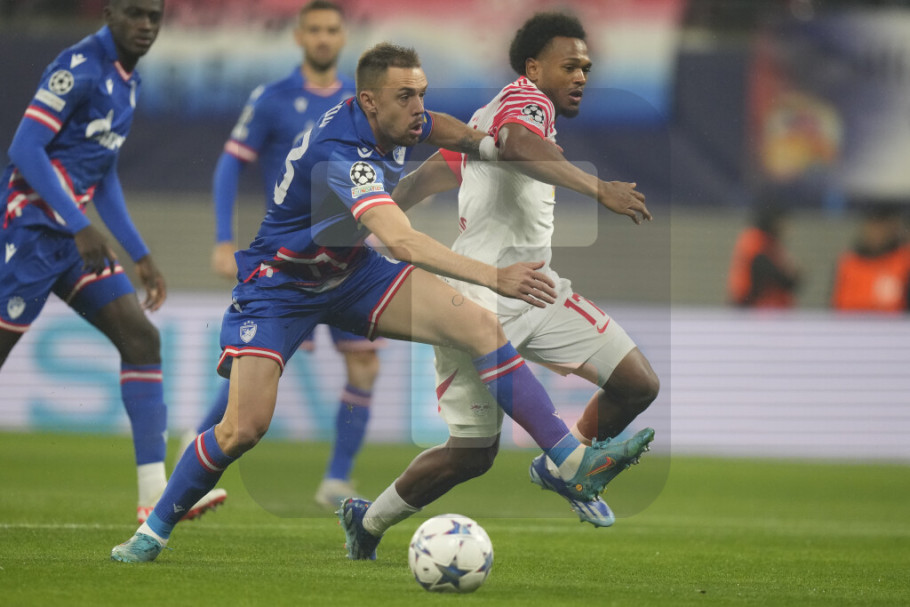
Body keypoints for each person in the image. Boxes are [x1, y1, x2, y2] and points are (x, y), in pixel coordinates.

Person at [111, 41, 652, 563]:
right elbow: (402, 242)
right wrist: (494, 276)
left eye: (421, 93)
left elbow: (440, 127)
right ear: (369, 101)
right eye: (405, 97)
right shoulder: (343, 154)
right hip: (282, 286)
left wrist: (485, 146)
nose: (418, 107)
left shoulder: (397, 119)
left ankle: (569, 460)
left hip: (351, 273)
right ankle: (152, 530)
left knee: (480, 328)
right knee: (242, 429)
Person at [335, 12, 659, 554]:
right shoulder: (526, 103)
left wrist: (367, 219)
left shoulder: (489, 116)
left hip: (536, 289)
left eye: (586, 67)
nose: (581, 76)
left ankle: (566, 466)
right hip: (478, 298)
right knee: (472, 455)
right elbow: (515, 142)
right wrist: (598, 188)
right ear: (533, 68)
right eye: (569, 66)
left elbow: (433, 173)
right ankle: (367, 523)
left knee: (636, 384)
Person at [0, 0, 224, 523]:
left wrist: (140, 252)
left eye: (154, 16)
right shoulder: (78, 68)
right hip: (33, 235)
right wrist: (79, 225)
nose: (145, 25)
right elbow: (25, 149)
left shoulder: (128, 81)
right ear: (109, 13)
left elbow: (103, 174)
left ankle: (155, 495)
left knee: (141, 340)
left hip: (74, 241)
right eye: (135, 14)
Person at [201, 0, 380, 508]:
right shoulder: (273, 99)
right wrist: (223, 239)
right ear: (299, 37)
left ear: (343, 38)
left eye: (332, 30)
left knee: (364, 367)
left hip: (347, 258)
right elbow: (229, 166)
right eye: (314, 30)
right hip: (290, 260)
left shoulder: (357, 103)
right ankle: (195, 452)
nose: (323, 38)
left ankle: (337, 479)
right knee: (253, 371)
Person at [831, 202, 910, 312]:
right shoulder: (848, 262)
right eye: (872, 226)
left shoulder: (904, 260)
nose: (876, 233)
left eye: (881, 226)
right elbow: (836, 303)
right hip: (851, 321)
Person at [727, 202, 801, 308]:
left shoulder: (765, 241)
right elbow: (779, 277)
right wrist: (791, 274)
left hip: (757, 307)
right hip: (753, 308)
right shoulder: (756, 241)